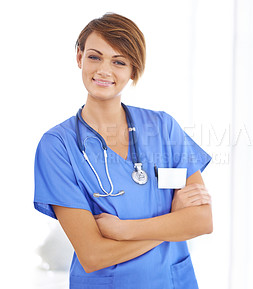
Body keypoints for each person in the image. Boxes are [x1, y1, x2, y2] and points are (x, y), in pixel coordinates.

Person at [34, 13, 213, 289]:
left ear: (133, 70)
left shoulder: (163, 127)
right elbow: (93, 255)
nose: (104, 70)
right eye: (95, 57)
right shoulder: (58, 146)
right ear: (79, 57)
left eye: (118, 61)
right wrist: (173, 225)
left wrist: (122, 230)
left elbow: (202, 221)